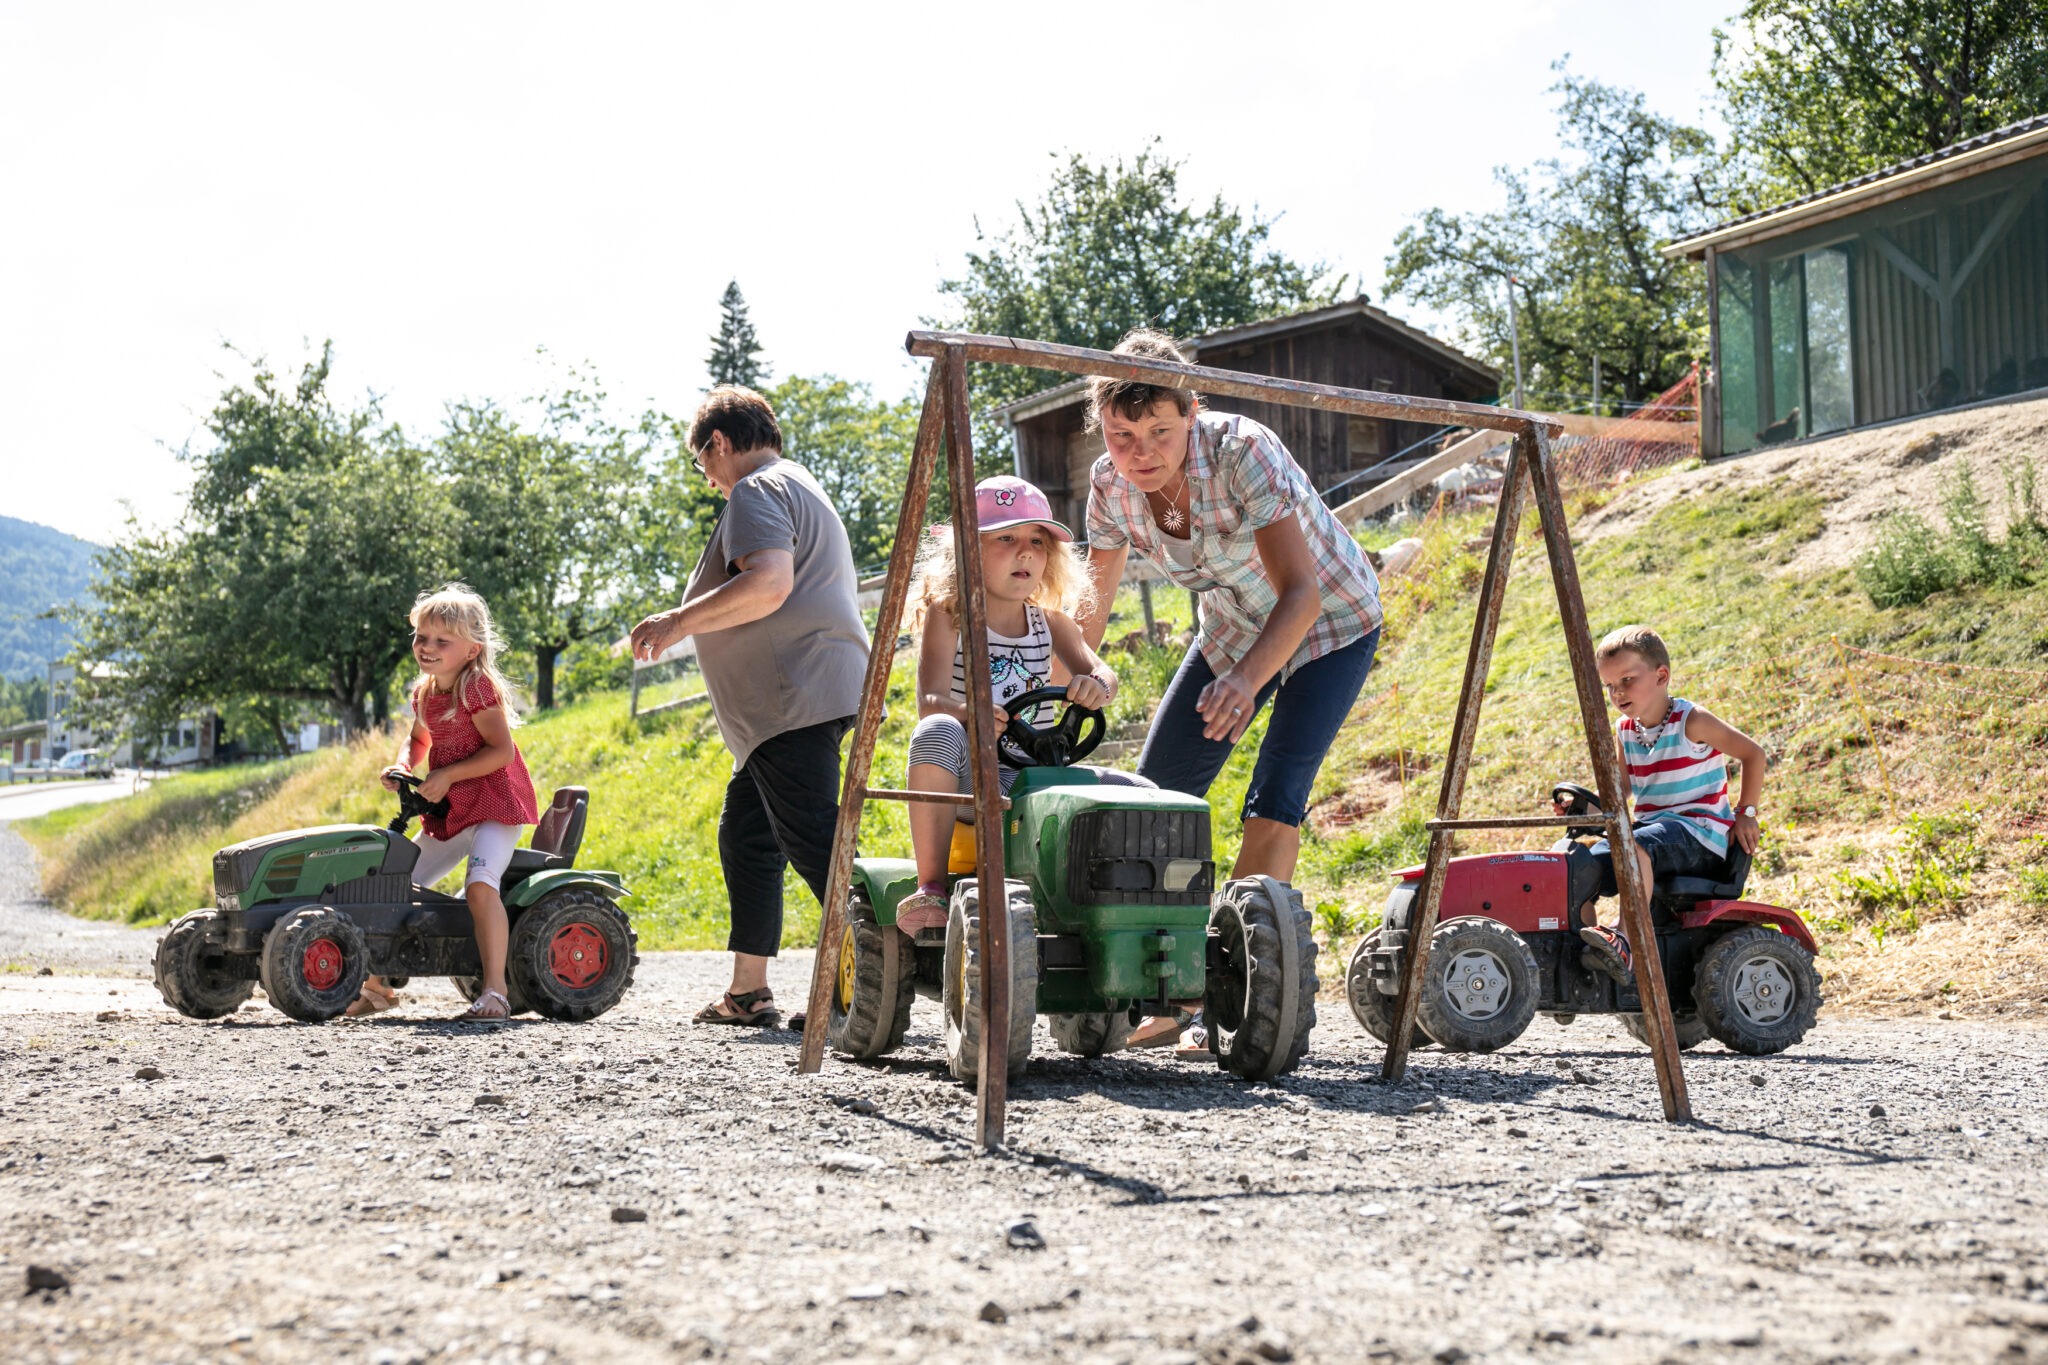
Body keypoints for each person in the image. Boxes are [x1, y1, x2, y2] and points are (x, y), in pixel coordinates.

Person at [1076, 329, 1384, 1048]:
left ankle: (1230, 993)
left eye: (1159, 430)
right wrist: (1064, 677)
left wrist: (1248, 682)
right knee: (1153, 799)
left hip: (1330, 622)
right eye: (1122, 435)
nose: (1141, 451)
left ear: (1191, 411)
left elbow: (1301, 592)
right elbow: (1090, 608)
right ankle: (1164, 990)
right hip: (1232, 629)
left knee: (1272, 800)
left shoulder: (1243, 449)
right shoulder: (1110, 488)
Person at [629, 385, 868, 1027]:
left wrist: (679, 622)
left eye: (702, 462)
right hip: (798, 698)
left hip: (791, 695)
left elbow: (768, 583)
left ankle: (873, 982)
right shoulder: (799, 483)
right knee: (748, 836)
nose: (708, 479)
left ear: (720, 443)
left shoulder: (756, 490)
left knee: (817, 842)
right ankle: (749, 991)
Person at [893, 476, 1146, 938]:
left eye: (1036, 541)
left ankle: (1134, 903)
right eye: (1005, 539)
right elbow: (930, 700)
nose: (1024, 552)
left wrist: (1096, 688)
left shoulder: (1053, 624)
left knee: (1140, 790)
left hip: (1032, 775)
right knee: (936, 732)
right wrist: (969, 714)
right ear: (968, 551)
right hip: (972, 773)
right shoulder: (950, 615)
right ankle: (931, 885)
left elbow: (1103, 673)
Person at [361, 584, 541, 1020]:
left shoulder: (477, 689)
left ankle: (496, 992)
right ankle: (376, 988)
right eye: (422, 638)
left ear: (471, 649)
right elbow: (419, 738)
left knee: (480, 887)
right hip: (454, 809)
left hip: (495, 805)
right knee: (393, 882)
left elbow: (500, 752)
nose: (427, 648)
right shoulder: (425, 692)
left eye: (442, 641)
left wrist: (447, 774)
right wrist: (404, 765)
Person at [1573, 624, 1768, 983]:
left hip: (1699, 835)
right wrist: (1583, 807)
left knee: (1634, 845)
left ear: (1661, 675)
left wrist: (1746, 813)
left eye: (1627, 680)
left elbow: (1754, 755)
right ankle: (1586, 953)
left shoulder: (1691, 721)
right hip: (1653, 835)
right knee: (1577, 865)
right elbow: (1622, 791)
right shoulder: (1625, 731)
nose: (1617, 692)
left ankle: (1626, 939)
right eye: (1610, 686)